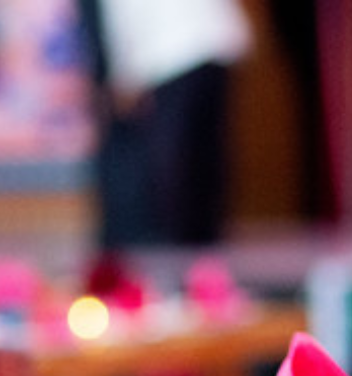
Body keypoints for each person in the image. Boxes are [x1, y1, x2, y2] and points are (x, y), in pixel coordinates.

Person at [78, 0, 252, 248]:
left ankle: (181, 254)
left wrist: (124, 73)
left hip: (167, 52)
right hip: (211, 43)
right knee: (201, 164)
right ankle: (200, 255)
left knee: (173, 169)